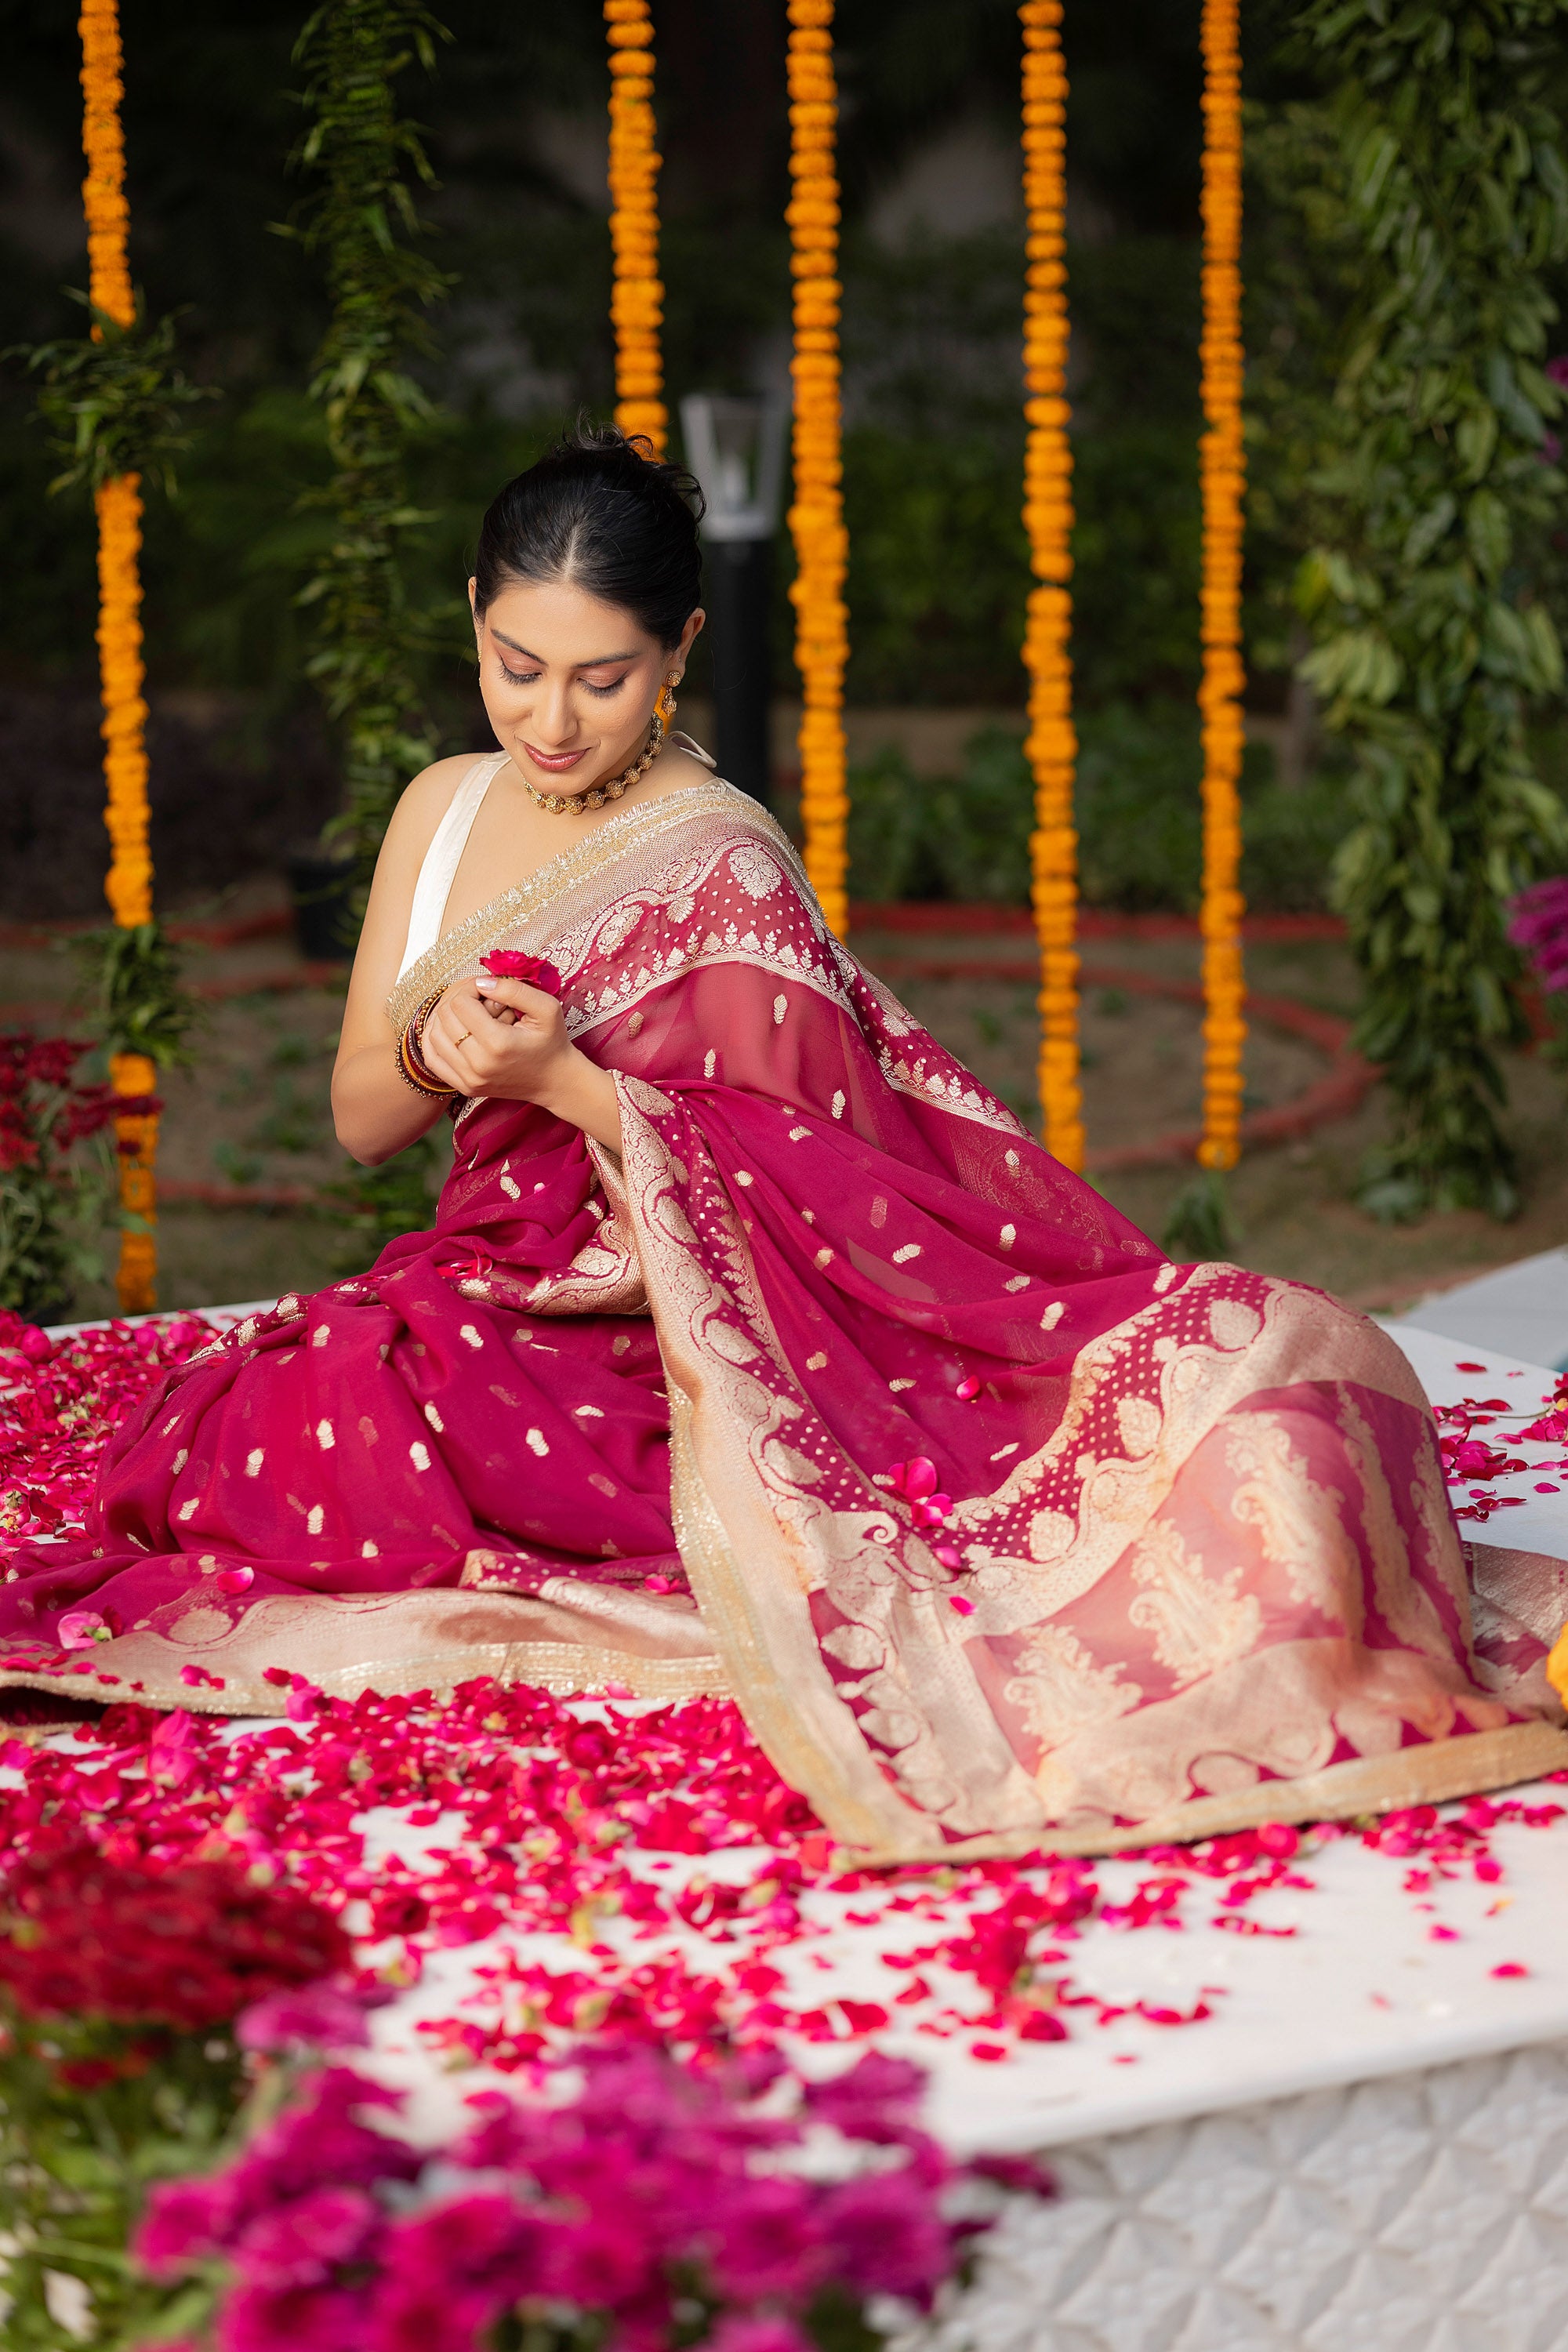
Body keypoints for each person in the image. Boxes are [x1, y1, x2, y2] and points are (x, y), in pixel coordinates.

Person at [2, 425, 1563, 1860]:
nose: (550, 719)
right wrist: (440, 1045)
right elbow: (362, 1120)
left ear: (678, 651)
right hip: (500, 1303)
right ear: (473, 618)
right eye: (513, 665)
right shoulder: (440, 808)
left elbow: (833, 1191)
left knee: (1281, 1379)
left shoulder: (720, 858)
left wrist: (567, 1086)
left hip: (712, 1346)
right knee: (274, 1421)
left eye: (600, 679)